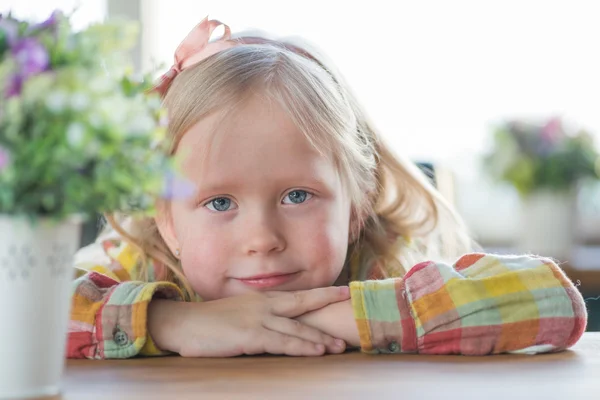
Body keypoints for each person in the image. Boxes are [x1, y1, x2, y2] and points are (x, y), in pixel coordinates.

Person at [68, 17, 586, 359]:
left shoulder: (381, 266)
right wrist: (169, 323)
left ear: (357, 203)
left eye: (297, 196)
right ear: (168, 222)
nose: (262, 239)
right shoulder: (137, 262)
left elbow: (553, 301)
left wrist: (341, 318)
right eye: (220, 202)